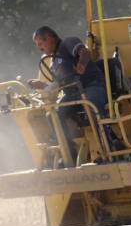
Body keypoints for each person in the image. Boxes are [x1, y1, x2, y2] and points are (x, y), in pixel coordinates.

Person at [28, 26, 110, 159]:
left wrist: (82, 65)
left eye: (40, 44)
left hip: (92, 85)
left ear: (49, 38)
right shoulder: (53, 62)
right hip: (73, 94)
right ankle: (69, 154)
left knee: (92, 106)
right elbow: (58, 84)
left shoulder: (68, 43)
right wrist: (42, 85)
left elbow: (85, 52)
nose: (40, 48)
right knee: (53, 115)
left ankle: (107, 149)